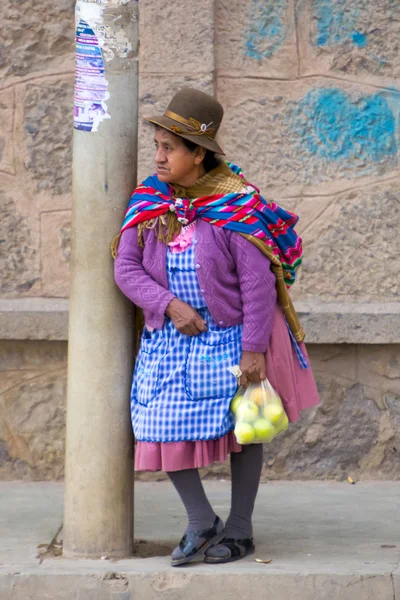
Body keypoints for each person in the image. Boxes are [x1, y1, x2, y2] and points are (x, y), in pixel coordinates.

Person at [113, 88, 320, 566]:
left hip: (229, 339)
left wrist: (253, 351)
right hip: (169, 341)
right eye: (158, 146)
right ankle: (201, 520)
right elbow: (126, 270)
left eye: (170, 148)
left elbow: (257, 285)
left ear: (198, 154)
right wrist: (169, 304)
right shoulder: (150, 201)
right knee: (156, 425)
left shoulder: (236, 208)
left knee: (244, 429)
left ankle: (241, 530)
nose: (160, 157)